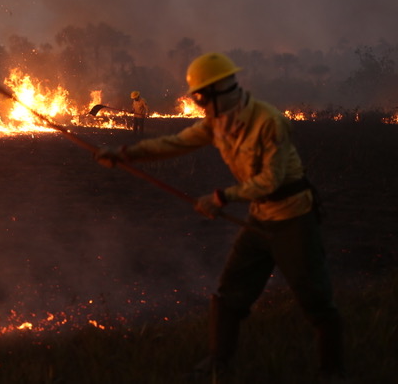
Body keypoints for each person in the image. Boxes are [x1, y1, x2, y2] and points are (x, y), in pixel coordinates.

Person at [96, 52, 345, 381]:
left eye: (199, 97)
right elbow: (175, 143)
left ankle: (333, 372)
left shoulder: (268, 121)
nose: (198, 105)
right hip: (260, 217)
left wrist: (221, 198)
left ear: (217, 92)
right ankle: (218, 362)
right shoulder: (218, 123)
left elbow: (271, 180)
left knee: (315, 298)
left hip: (293, 219)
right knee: (229, 293)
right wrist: (126, 154)